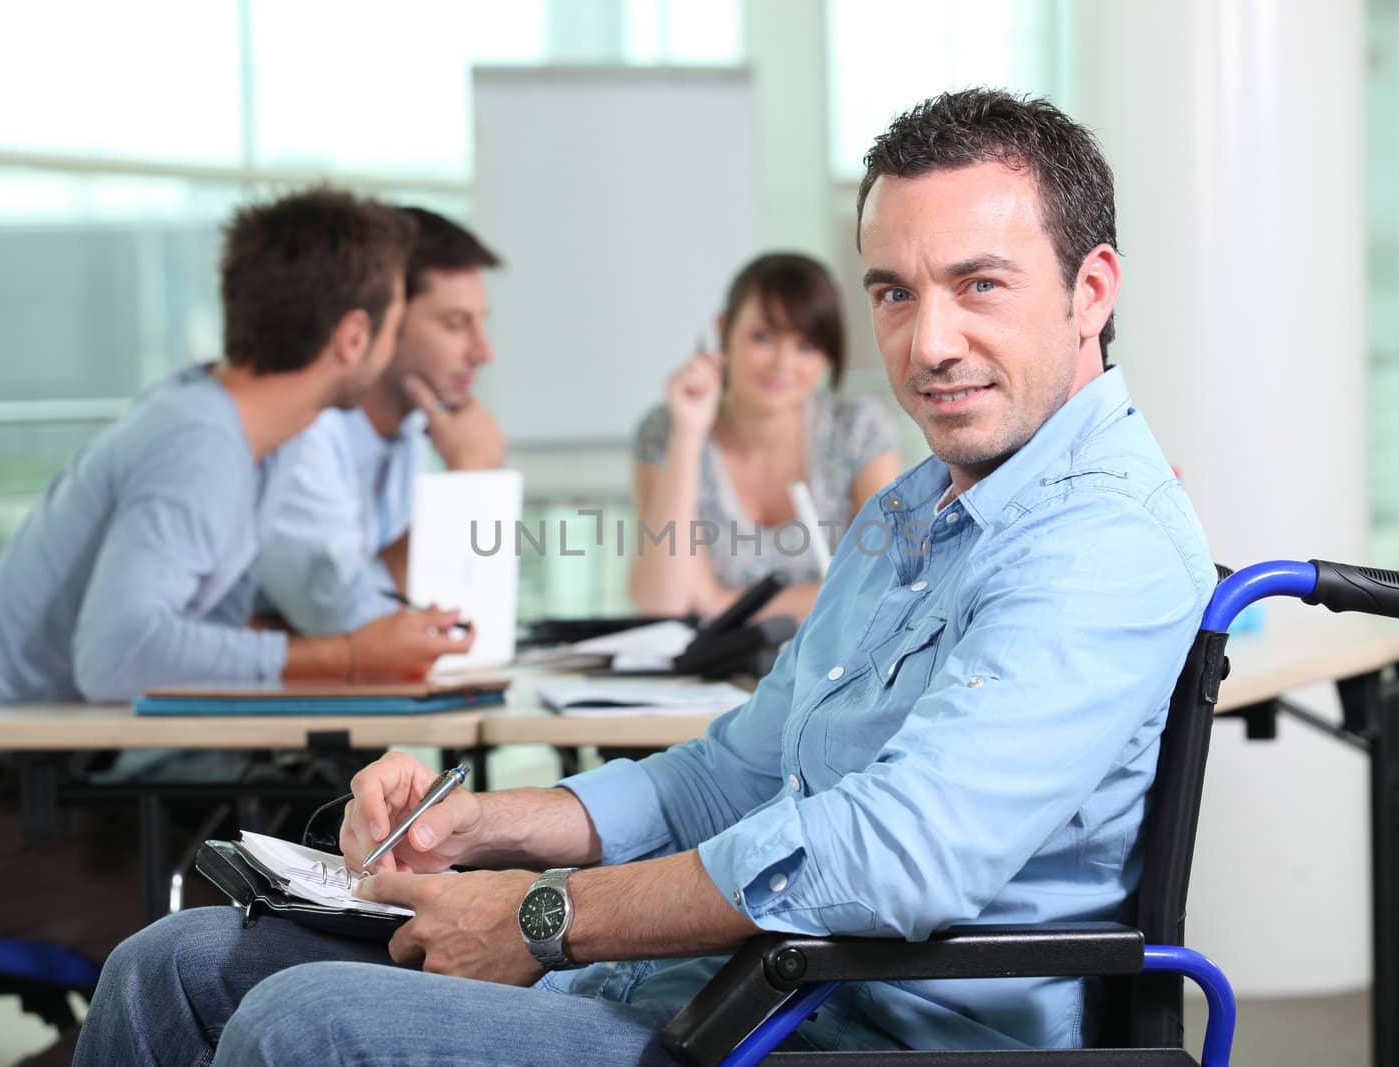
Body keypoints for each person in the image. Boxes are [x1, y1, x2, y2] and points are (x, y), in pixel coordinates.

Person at [75, 89, 1217, 1064]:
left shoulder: (1101, 537)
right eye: (894, 292)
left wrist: (540, 916)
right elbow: (726, 774)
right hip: (734, 987)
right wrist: (479, 826)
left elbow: (891, 854)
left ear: (1091, 288)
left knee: (299, 1019)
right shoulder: (913, 507)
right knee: (169, 964)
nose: (925, 343)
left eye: (979, 285)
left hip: (853, 1027)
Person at [0, 189, 475, 1060]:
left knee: (309, 903)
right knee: (237, 946)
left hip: (32, 797)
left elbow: (285, 610)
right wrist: (350, 654)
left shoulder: (248, 436)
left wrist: (351, 643)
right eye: (395, 325)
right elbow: (118, 653)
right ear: (353, 338)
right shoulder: (199, 443)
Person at [255, 208, 506, 635]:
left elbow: (434, 616)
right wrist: (465, 485)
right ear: (383, 320)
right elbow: (344, 622)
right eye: (454, 324)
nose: (483, 352)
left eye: (480, 323)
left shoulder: (415, 434)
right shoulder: (303, 433)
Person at [629, 252, 901, 621]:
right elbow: (664, 602)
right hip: (713, 673)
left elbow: (885, 582)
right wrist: (689, 435)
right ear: (724, 330)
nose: (782, 365)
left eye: (806, 345)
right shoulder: (666, 430)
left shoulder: (856, 430)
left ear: (826, 356)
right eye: (762, 337)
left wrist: (723, 605)